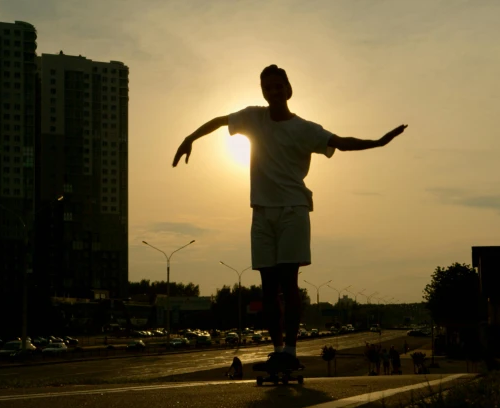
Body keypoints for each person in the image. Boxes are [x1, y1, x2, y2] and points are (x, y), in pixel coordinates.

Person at [173, 65, 407, 372]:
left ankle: (292, 352)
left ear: (288, 89)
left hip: (293, 211)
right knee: (268, 286)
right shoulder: (253, 117)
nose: (272, 92)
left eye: (277, 86)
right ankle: (279, 351)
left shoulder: (305, 129)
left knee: (289, 282)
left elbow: (341, 142)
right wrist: (191, 136)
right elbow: (220, 121)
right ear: (263, 92)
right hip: (261, 212)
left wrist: (377, 142)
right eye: (267, 87)